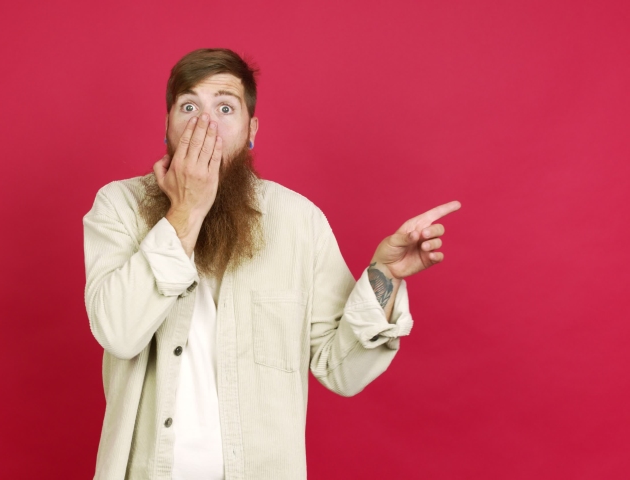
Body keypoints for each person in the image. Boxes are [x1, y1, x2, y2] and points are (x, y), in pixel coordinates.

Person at [83, 48, 460, 480]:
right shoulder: (118, 207)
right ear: (167, 126)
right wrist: (184, 211)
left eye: (225, 107)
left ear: (251, 130)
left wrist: (384, 276)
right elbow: (118, 332)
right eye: (189, 107)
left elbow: (342, 371)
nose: (205, 124)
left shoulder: (300, 222)